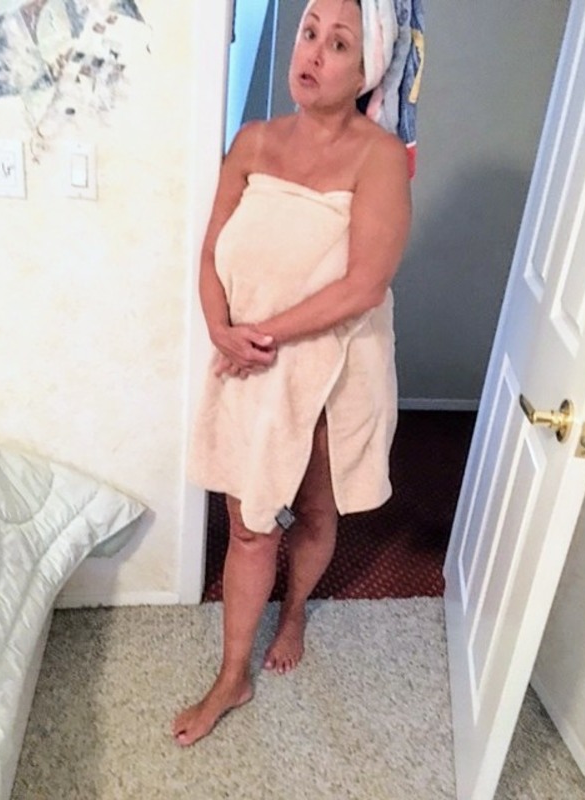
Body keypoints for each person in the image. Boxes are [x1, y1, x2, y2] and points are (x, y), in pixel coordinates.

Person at [172, 0, 412, 747]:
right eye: (309, 32)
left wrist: (262, 333)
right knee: (248, 526)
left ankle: (297, 609)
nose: (312, 52)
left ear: (366, 68)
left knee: (311, 511)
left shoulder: (380, 157)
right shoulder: (252, 141)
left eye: (338, 43)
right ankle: (231, 677)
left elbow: (364, 285)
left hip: (332, 374)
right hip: (250, 363)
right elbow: (210, 251)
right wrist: (219, 326)